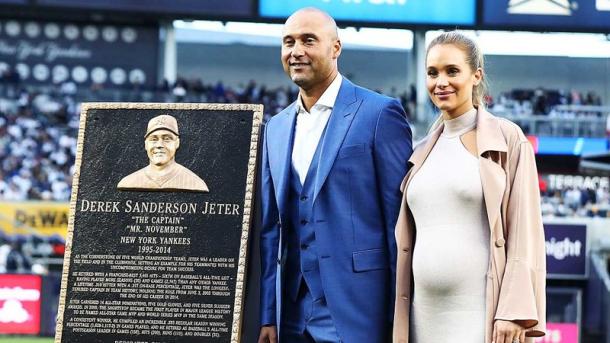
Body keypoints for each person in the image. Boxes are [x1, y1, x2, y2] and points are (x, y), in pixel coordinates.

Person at [258, 7, 412, 343]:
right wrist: (268, 314)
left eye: (308, 40)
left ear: (336, 48)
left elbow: (397, 225)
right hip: (292, 317)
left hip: (359, 311)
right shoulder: (276, 127)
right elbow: (271, 230)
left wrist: (397, 318)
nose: (296, 51)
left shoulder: (379, 113)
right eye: (288, 42)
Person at [393, 31, 546, 343]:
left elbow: (524, 233)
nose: (441, 82)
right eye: (432, 72)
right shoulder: (420, 151)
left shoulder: (508, 139)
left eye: (452, 71)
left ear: (476, 75)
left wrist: (513, 311)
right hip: (423, 316)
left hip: (481, 316)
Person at [117, 114, 209, 192]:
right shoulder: (129, 182)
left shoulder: (194, 183)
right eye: (154, 139)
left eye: (167, 139)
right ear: (146, 144)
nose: (159, 145)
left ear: (177, 143)